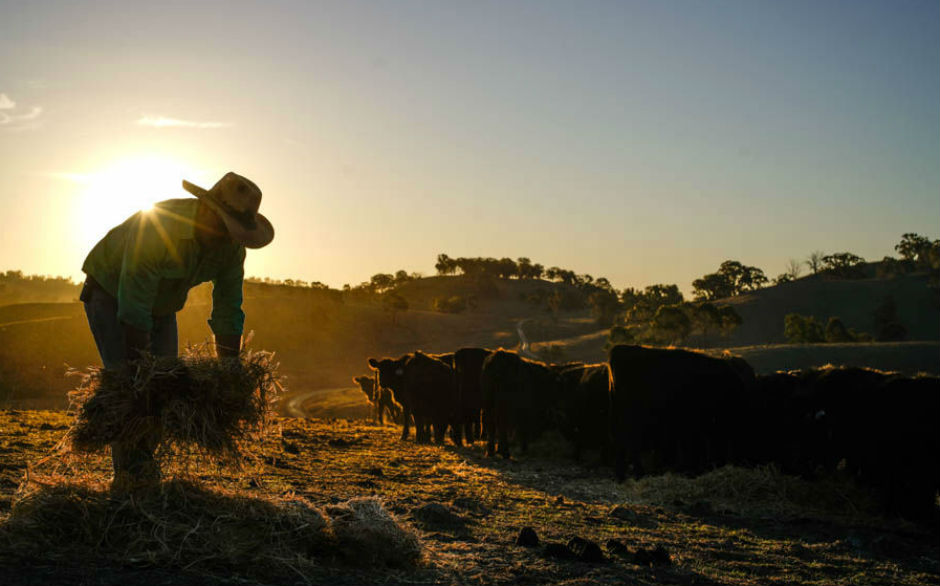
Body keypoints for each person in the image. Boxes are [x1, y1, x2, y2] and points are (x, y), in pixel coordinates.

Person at [79, 172, 274, 490]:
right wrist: (139, 373)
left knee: (164, 388)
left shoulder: (231, 250)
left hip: (162, 306)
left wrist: (229, 374)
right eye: (226, 228)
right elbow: (133, 302)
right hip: (111, 293)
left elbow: (228, 308)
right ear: (209, 211)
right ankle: (129, 481)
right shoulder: (159, 228)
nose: (229, 239)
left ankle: (142, 468)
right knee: (130, 386)